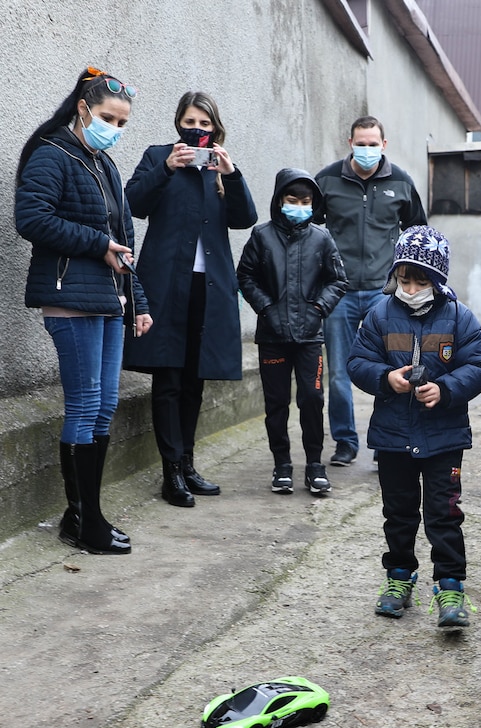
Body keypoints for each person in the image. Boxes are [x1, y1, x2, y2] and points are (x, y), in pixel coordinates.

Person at [15, 67, 152, 554]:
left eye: (122, 122)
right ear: (83, 108)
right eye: (108, 117)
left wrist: (138, 300)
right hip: (70, 296)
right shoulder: (52, 153)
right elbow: (31, 218)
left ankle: (85, 515)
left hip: (110, 299)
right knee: (85, 404)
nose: (114, 128)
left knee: (106, 404)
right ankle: (84, 521)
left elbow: (126, 240)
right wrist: (98, 244)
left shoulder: (105, 164)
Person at [348, 225, 481, 628]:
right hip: (393, 437)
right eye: (404, 279)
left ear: (438, 279)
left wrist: (445, 390)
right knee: (398, 512)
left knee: (443, 512)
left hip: (443, 437)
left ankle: (450, 586)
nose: (410, 288)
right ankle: (398, 577)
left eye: (420, 280)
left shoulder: (458, 317)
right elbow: (358, 363)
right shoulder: (378, 315)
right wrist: (386, 378)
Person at [124, 91, 257, 507]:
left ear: (214, 128)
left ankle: (187, 463)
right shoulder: (158, 155)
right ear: (178, 122)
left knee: (195, 379)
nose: (196, 130)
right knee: (168, 378)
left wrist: (232, 175)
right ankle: (170, 473)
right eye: (190, 122)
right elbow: (132, 202)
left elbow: (245, 218)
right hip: (166, 282)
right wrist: (166, 168)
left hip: (209, 285)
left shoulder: (220, 167)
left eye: (204, 124)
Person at [315, 116, 427, 467]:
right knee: (339, 371)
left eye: (372, 143)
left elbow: (418, 232)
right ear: (350, 142)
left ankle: (386, 443)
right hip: (339, 292)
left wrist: (410, 282)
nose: (366, 149)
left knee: (394, 367)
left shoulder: (401, 182)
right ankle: (346, 442)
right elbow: (308, 228)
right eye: (360, 143)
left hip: (385, 292)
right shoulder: (328, 180)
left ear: (384, 144)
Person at [237, 169, 348, 494]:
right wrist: (267, 309)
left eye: (305, 201)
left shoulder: (321, 238)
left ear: (313, 204)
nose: (299, 205)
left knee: (312, 399)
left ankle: (315, 465)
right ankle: (281, 465)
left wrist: (318, 309)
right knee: (276, 403)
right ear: (279, 200)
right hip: (272, 337)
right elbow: (245, 276)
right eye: (292, 199)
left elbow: (338, 279)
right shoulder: (261, 236)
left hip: (310, 337)